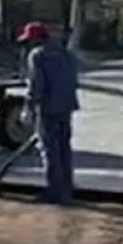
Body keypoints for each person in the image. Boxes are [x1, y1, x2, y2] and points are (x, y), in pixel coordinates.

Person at [16, 22, 79, 204]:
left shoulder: (37, 55)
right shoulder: (66, 53)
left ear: (36, 39)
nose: (27, 44)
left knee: (49, 149)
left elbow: (36, 84)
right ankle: (67, 189)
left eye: (29, 40)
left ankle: (54, 192)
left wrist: (29, 107)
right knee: (64, 148)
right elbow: (74, 80)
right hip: (67, 105)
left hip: (48, 107)